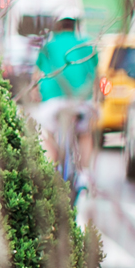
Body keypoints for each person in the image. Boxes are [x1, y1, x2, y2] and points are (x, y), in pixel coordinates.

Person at [32, 14, 98, 166]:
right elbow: (96, 76)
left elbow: (36, 76)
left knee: (47, 134)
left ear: (58, 26)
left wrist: (35, 93)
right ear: (75, 26)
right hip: (81, 101)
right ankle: (84, 174)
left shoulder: (48, 47)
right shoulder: (87, 44)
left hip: (52, 102)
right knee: (85, 133)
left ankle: (50, 168)